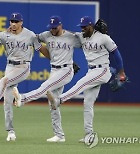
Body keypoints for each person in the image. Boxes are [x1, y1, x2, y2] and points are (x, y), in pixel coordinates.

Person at [46, 16, 126, 148]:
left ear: (91, 26)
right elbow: (67, 34)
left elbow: (116, 53)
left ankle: (59, 100)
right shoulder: (82, 37)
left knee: (81, 83)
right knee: (87, 103)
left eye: (84, 26)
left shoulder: (103, 37)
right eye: (81, 27)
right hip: (92, 71)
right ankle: (89, 135)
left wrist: (121, 71)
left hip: (102, 71)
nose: (82, 29)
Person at [0, 12, 49, 141]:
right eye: (11, 21)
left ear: (21, 22)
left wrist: (54, 59)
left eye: (16, 21)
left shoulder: (29, 35)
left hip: (23, 67)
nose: (13, 23)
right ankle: (11, 132)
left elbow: (40, 48)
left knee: (4, 81)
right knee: (7, 102)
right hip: (10, 67)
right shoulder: (4, 35)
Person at [12, 15, 81, 142]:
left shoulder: (71, 37)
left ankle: (23, 99)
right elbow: (33, 37)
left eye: (55, 28)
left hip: (66, 70)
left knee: (45, 87)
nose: (53, 30)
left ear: (60, 25)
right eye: (51, 28)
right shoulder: (46, 35)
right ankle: (59, 135)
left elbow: (86, 43)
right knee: (53, 103)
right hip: (54, 70)